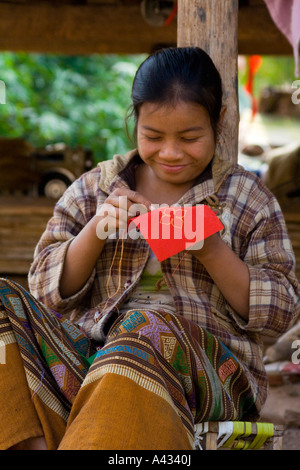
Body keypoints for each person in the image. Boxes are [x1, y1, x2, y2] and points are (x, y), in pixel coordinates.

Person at [0, 47, 299, 451]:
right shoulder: (96, 188)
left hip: (212, 377)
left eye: (190, 137)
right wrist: (95, 231)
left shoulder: (247, 199)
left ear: (220, 121)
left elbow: (281, 312)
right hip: (90, 362)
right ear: (134, 120)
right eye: (153, 137)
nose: (171, 153)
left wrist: (212, 249)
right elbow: (43, 291)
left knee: (143, 328)